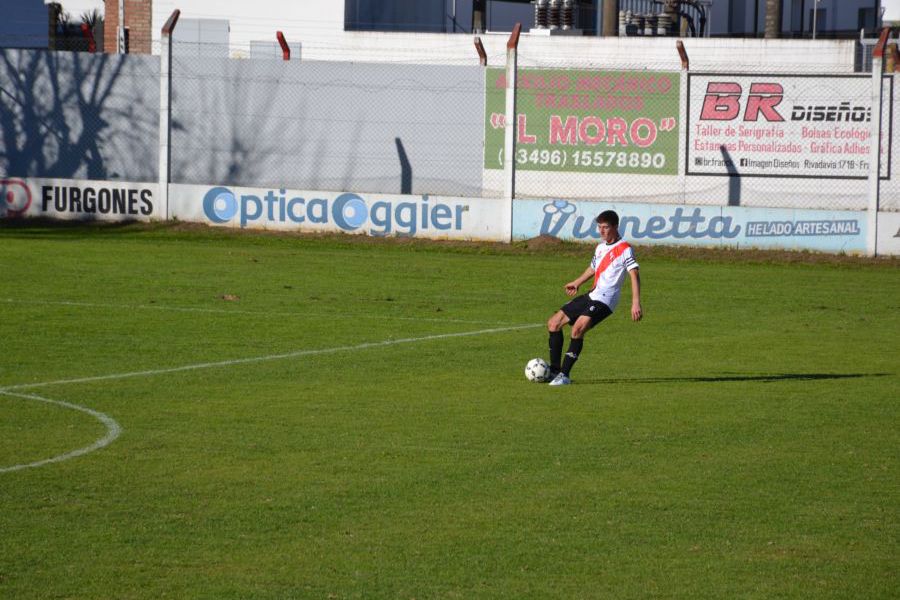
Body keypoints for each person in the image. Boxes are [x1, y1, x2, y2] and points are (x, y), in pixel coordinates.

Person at [546, 210, 642, 386]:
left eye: (605, 227)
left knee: (577, 329)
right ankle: (554, 370)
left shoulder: (625, 249)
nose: (601, 231)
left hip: (606, 299)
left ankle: (564, 376)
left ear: (615, 227)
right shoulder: (600, 248)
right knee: (553, 323)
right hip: (592, 294)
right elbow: (593, 268)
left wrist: (635, 303)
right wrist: (577, 282)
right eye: (599, 227)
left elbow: (634, 275)